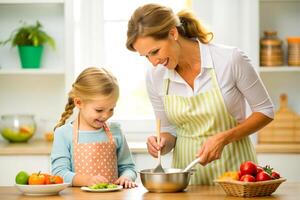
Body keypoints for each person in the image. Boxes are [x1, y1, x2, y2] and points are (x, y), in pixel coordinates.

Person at [126, 4, 274, 185]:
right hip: (187, 181)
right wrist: (161, 143)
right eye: (146, 56)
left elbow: (265, 110)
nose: (154, 62)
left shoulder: (229, 60)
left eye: (155, 52)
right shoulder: (155, 76)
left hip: (237, 175)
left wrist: (224, 138)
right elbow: (169, 130)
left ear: (173, 33)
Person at [51, 67, 137, 188]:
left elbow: (128, 167)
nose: (106, 115)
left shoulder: (116, 130)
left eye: (111, 109)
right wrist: (86, 180)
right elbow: (59, 174)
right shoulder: (63, 134)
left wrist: (126, 177)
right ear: (79, 103)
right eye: (99, 110)